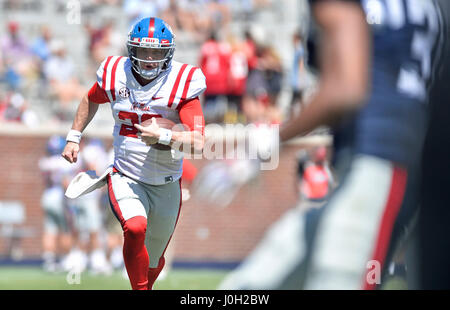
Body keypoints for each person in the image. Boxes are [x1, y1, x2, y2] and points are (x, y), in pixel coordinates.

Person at [221, 0, 445, 290]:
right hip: (404, 156)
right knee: (252, 284)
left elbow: (346, 90)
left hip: (378, 159)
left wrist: (274, 138)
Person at [61, 17, 206, 290]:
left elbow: (198, 142)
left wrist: (164, 135)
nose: (150, 58)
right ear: (131, 49)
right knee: (135, 227)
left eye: (157, 52)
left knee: (154, 261)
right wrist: (74, 137)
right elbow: (91, 98)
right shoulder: (116, 73)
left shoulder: (182, 81)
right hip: (125, 174)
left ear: (169, 53)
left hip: (166, 183)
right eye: (143, 51)